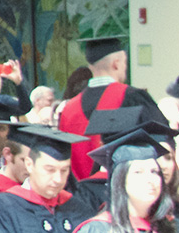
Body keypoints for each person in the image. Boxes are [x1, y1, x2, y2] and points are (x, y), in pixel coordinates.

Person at [55, 38, 161, 181]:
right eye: (124, 62)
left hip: (79, 195)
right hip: (122, 191)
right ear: (116, 63)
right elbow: (160, 140)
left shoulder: (68, 109)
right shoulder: (132, 97)